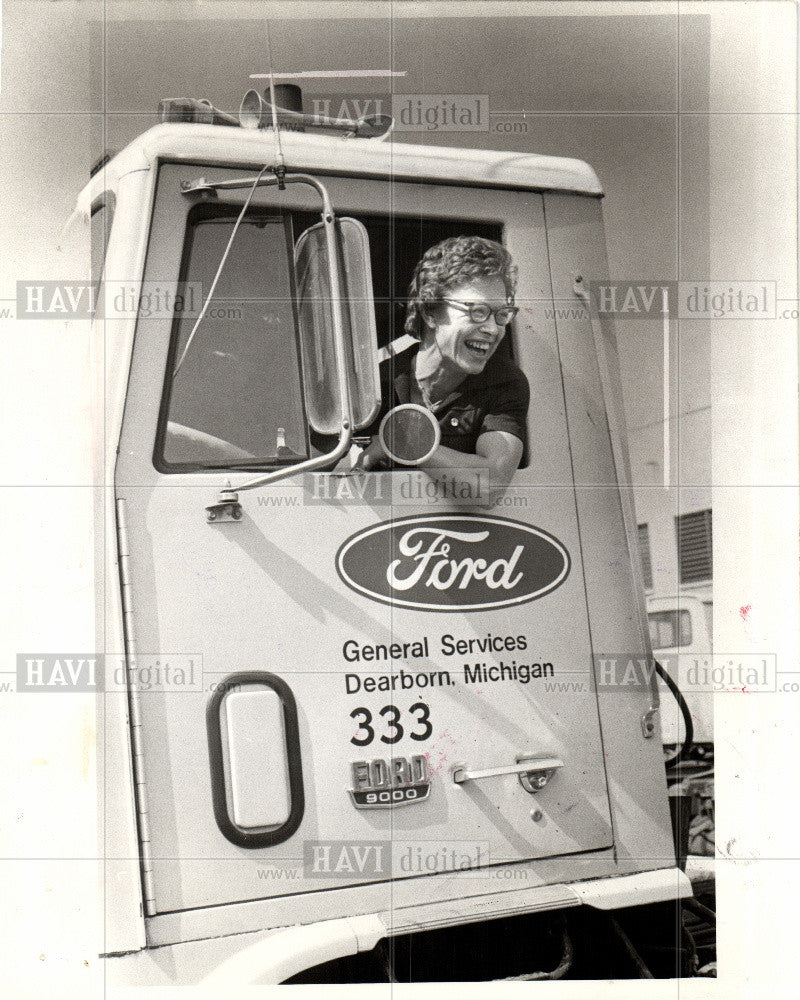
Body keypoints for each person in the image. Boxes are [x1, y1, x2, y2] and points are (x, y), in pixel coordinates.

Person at [358, 235, 529, 495]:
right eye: (477, 312)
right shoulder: (373, 384)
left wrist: (404, 444)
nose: (493, 329)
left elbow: (489, 484)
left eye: (501, 315)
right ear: (430, 311)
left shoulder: (505, 383)